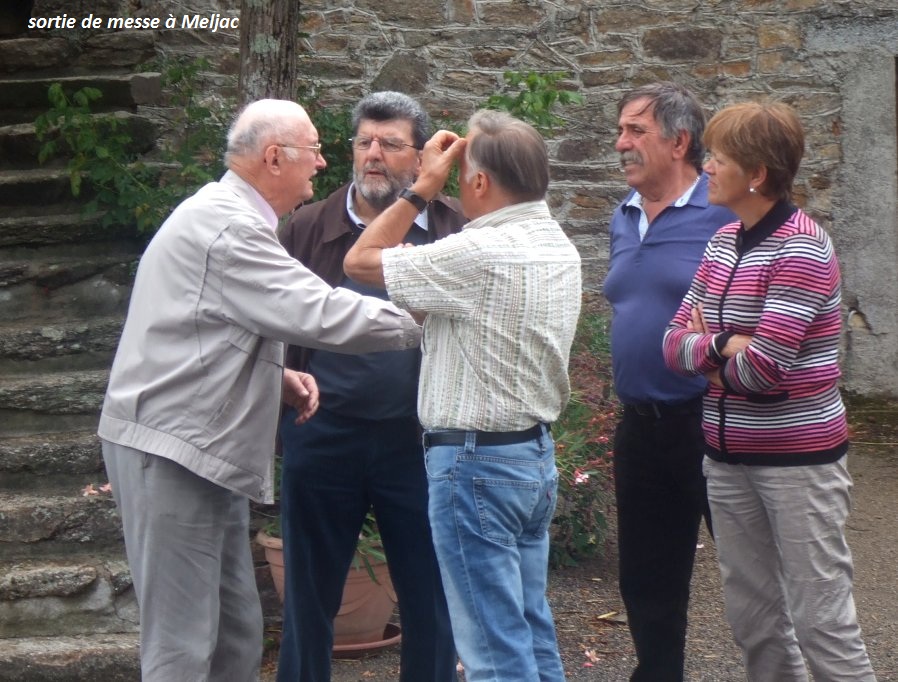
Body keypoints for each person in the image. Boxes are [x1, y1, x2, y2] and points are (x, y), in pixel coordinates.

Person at [97, 99, 424, 682]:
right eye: (314, 150)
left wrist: (271, 376)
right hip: (172, 450)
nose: (322, 163)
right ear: (275, 158)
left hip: (200, 450)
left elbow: (202, 326)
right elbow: (317, 312)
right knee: (182, 644)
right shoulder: (229, 227)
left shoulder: (231, 217)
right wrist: (427, 316)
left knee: (235, 633)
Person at [344, 109, 582, 682]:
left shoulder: (479, 253)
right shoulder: (558, 246)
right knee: (530, 630)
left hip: (475, 465)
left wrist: (421, 188)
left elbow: (360, 260)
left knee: (492, 652)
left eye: (459, 174)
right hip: (532, 458)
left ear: (477, 181)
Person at [663, 101, 876, 681]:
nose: (706, 167)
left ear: (756, 174)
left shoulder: (802, 248)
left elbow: (763, 371)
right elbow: (672, 343)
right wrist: (725, 344)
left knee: (822, 624)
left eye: (718, 158)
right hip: (726, 461)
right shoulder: (722, 243)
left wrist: (712, 352)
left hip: (798, 466)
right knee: (754, 622)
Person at [275, 91, 463, 682]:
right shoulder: (308, 227)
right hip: (322, 432)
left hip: (421, 440)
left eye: (390, 144)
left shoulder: (457, 229)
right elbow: (272, 320)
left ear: (424, 157)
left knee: (432, 598)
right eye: (364, 142)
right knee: (308, 598)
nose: (373, 154)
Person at [602, 81, 736, 681]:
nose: (620, 143)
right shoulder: (623, 216)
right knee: (646, 578)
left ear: (679, 142)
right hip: (640, 425)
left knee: (750, 570)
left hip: (709, 420)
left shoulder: (723, 210)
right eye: (620, 130)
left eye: (635, 131)